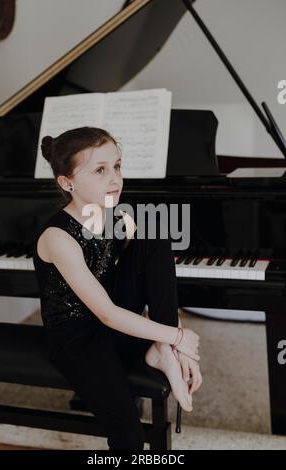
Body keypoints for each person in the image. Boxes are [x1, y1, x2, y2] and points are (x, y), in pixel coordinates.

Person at [32, 126, 202, 450]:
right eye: (100, 170)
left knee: (154, 232)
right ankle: (164, 346)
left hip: (112, 321)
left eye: (117, 166)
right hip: (77, 338)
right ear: (67, 183)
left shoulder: (113, 214)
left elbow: (154, 277)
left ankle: (163, 353)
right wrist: (180, 336)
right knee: (127, 429)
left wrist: (176, 344)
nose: (115, 179)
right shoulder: (57, 237)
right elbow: (108, 314)